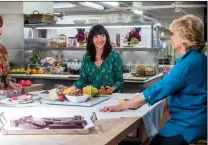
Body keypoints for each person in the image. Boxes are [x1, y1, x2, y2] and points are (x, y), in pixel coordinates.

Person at [100, 15, 207, 145]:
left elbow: (156, 91)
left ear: (185, 36)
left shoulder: (187, 63)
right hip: (197, 120)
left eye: (174, 34)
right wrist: (173, 75)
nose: (171, 37)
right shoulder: (198, 58)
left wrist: (121, 106)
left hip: (188, 124)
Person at [70, 24, 123, 93]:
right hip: (91, 98)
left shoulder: (115, 56)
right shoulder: (87, 57)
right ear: (91, 39)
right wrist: (70, 89)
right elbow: (82, 80)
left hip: (110, 98)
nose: (100, 39)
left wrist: (112, 88)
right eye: (96, 36)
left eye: (103, 36)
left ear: (106, 37)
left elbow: (120, 80)